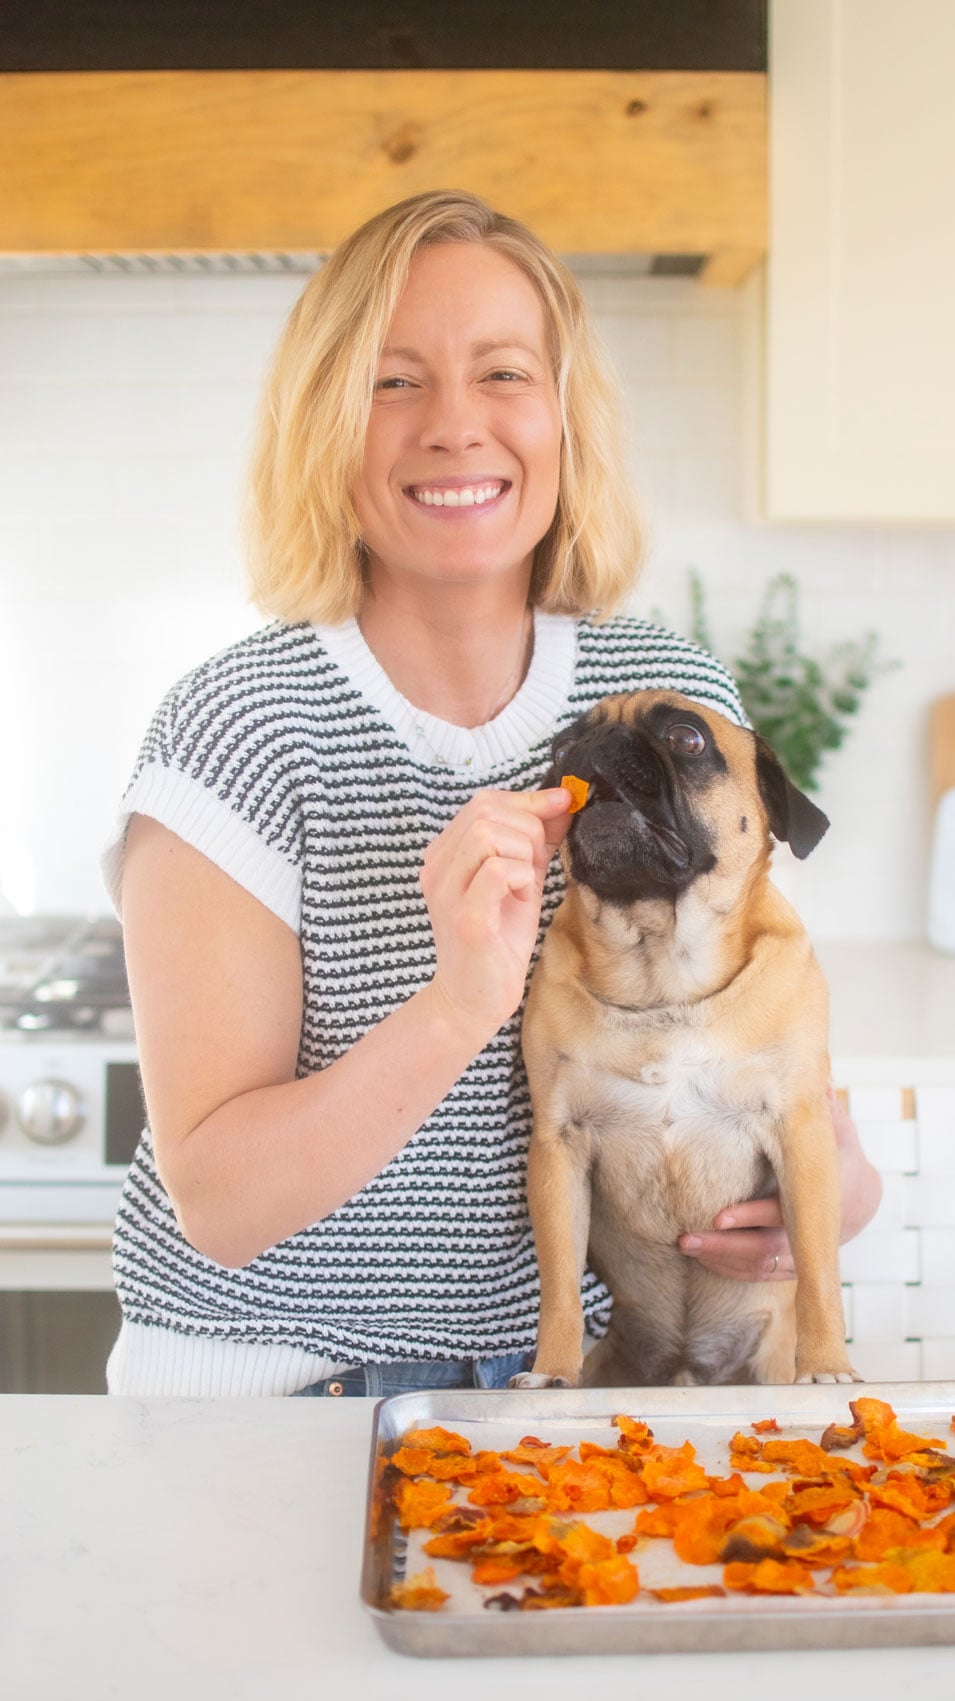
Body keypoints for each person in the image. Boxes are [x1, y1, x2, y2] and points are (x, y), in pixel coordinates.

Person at [101, 189, 881, 1398]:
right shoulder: (241, 729)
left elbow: (775, 1041)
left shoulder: (659, 692)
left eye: (505, 374)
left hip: (579, 1386)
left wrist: (832, 1190)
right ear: (321, 426)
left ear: (566, 419)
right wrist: (458, 1006)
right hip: (274, 1391)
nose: (457, 427)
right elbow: (220, 1207)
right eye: (392, 381)